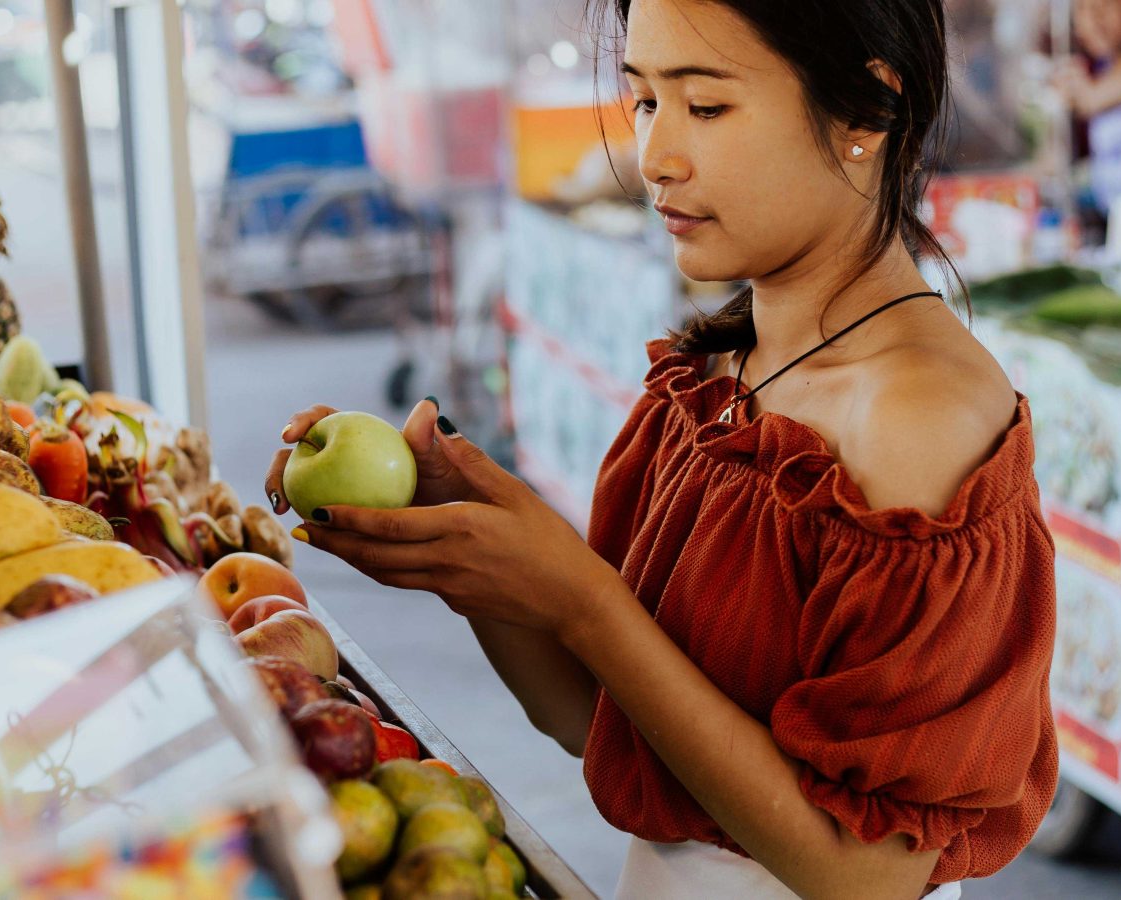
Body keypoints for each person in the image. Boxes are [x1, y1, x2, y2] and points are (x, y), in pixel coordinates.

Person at [265, 1, 1057, 896]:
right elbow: (588, 715)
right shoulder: (718, 366)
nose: (653, 158)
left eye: (706, 107)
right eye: (644, 101)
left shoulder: (922, 420)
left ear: (866, 110)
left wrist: (588, 603)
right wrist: (463, 546)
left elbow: (867, 876)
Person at [1056, 0, 1121, 215]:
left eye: (1105, 7)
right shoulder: (1104, 67)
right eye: (1083, 9)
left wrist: (1079, 92)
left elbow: (1090, 100)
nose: (1093, 21)